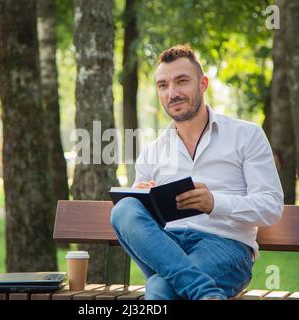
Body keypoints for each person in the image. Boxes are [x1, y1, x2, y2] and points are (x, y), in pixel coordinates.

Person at [110, 44, 284, 300]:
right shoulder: (152, 152)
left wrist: (215, 203)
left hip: (226, 246)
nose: (172, 93)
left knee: (160, 288)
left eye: (182, 82)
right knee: (124, 209)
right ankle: (205, 294)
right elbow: (141, 226)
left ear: (203, 84)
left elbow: (271, 207)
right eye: (163, 85)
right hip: (167, 247)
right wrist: (144, 201)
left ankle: (201, 291)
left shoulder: (246, 135)